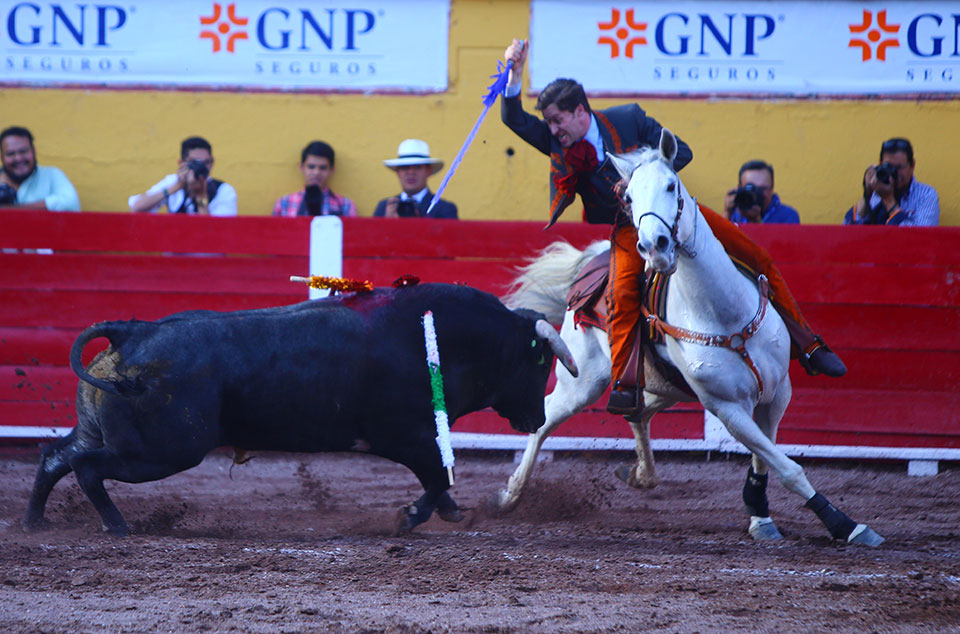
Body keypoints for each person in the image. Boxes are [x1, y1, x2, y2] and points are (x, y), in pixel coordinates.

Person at [501, 38, 845, 416]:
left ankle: (809, 344)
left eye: (557, 120)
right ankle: (626, 381)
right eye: (548, 123)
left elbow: (681, 151)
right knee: (620, 295)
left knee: (756, 256)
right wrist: (514, 73)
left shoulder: (628, 118)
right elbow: (513, 119)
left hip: (679, 213)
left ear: (580, 111)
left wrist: (641, 173)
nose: (552, 129)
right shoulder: (557, 144)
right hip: (630, 229)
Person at [128, 136, 237, 216]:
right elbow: (137, 208)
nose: (201, 168)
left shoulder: (223, 190)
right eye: (195, 163)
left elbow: (215, 234)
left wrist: (201, 196)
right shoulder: (173, 182)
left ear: (212, 162)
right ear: (181, 163)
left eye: (206, 162)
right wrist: (177, 186)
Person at [843, 137, 939, 226]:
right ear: (880, 164)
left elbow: (919, 238)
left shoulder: (926, 194)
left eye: (900, 167)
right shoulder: (877, 190)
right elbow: (847, 229)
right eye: (889, 166)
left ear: (912, 165)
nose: (894, 172)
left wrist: (888, 200)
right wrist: (867, 195)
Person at [0, 126, 80, 211]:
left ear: (34, 151)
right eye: (11, 154)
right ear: (2, 157)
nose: (18, 158)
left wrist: (10, 209)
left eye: (23, 151)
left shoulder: (51, 175)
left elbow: (70, 202)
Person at [373, 139, 458, 219]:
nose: (411, 172)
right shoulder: (384, 207)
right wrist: (386, 223)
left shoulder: (445, 209)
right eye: (405, 167)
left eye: (417, 167)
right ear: (398, 172)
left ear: (428, 171)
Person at [272, 141, 357, 217]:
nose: (316, 173)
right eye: (311, 167)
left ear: (331, 170)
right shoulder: (284, 204)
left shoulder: (345, 206)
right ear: (301, 167)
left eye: (323, 168)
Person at [724, 160, 800, 224]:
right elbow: (718, 238)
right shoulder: (734, 211)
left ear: (772, 189)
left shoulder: (787, 216)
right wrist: (727, 212)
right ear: (740, 188)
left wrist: (756, 220)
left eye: (762, 188)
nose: (756, 194)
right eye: (751, 188)